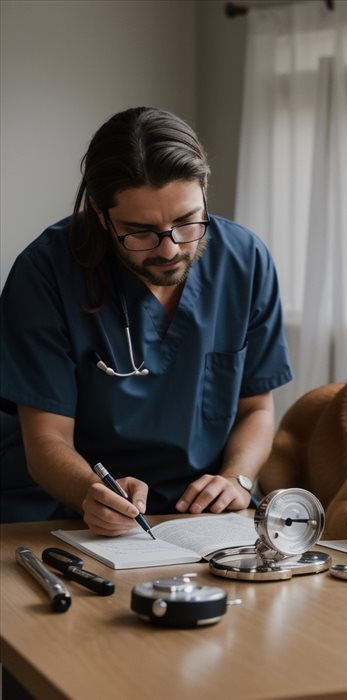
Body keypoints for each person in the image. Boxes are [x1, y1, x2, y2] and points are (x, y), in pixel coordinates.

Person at [0, 106, 293, 535]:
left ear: (204, 189)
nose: (170, 249)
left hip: (203, 513)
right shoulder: (46, 272)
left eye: (186, 221)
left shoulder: (245, 260)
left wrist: (237, 478)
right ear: (102, 214)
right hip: (64, 508)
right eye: (140, 232)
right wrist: (89, 493)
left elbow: (256, 409)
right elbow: (47, 441)